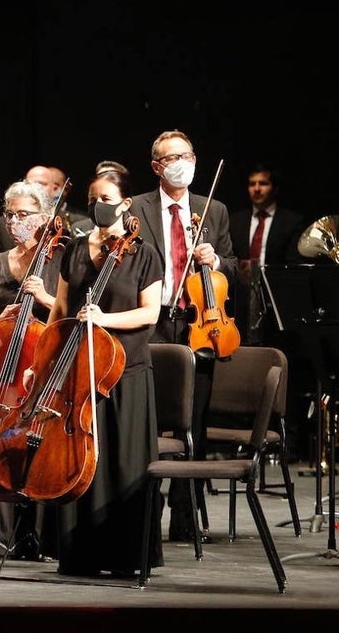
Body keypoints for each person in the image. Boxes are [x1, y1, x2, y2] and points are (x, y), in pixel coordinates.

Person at [43, 165, 163, 577]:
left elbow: (150, 313)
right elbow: (60, 310)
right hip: (76, 366)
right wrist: (42, 360)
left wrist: (103, 320)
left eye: (107, 200)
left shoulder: (143, 253)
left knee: (121, 461)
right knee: (78, 456)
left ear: (126, 204)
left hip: (124, 370)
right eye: (93, 199)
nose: (98, 206)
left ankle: (128, 554)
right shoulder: (74, 249)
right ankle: (81, 553)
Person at [127, 129, 238, 543]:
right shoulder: (136, 207)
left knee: (195, 422)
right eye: (172, 157)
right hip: (154, 322)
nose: (182, 163)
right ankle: (144, 510)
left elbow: (231, 266)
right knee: (150, 421)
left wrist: (217, 261)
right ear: (157, 166)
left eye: (187, 155)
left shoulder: (215, 210)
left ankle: (186, 514)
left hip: (200, 322)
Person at [0, 179, 62, 560]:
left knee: (42, 445)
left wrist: (44, 297)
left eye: (24, 214)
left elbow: (70, 312)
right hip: (6, 370)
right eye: (10, 215)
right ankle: (5, 536)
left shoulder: (59, 259)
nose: (16, 221)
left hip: (44, 365)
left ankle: (44, 534)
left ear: (44, 217)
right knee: (1, 440)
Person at [228, 162, 308, 346]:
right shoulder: (235, 220)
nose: (256, 189)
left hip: (275, 301)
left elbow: (293, 264)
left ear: (275, 188)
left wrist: (261, 272)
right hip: (240, 299)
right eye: (252, 184)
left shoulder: (291, 221)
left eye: (263, 183)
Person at [0, 164, 85, 258]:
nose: (34, 188)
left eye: (41, 184)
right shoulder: (3, 223)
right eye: (29, 183)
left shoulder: (75, 222)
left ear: (54, 189)